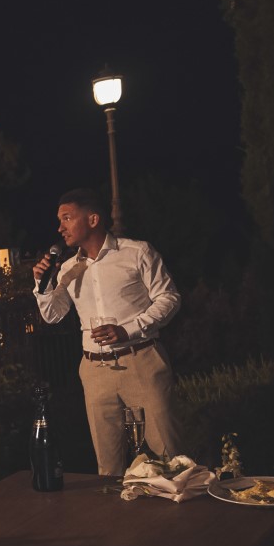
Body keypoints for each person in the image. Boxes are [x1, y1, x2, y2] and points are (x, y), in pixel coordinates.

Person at [34, 188, 182, 475]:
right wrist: (42, 284)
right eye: (59, 220)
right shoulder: (66, 268)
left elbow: (169, 299)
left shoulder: (136, 252)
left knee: (169, 454)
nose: (59, 227)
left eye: (67, 218)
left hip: (141, 360)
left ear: (92, 220)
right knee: (108, 463)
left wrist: (128, 330)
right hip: (94, 368)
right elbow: (53, 315)